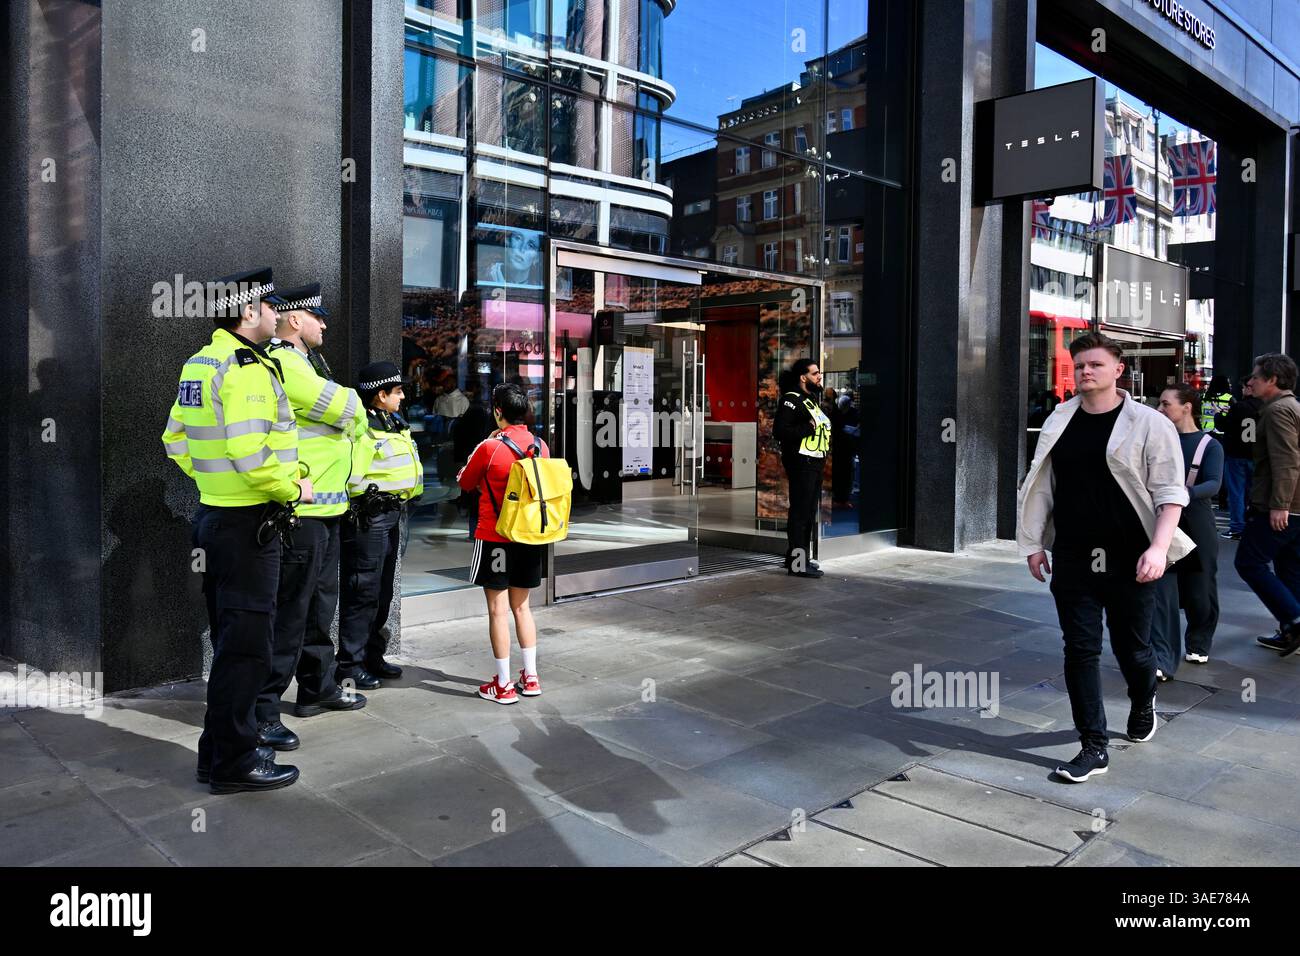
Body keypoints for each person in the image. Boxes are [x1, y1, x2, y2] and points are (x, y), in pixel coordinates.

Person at [1017, 332, 1194, 784]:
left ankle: (1143, 698)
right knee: (1080, 649)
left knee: (1132, 648)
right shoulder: (1060, 418)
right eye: (1078, 366)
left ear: (1119, 370)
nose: (1084, 372)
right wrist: (1033, 542)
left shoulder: (1150, 423)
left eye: (1094, 365)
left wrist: (1158, 548)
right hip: (1074, 553)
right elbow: (1040, 485)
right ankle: (1093, 745)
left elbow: (1171, 492)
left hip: (1130, 555)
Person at [161, 266, 310, 794]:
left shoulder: (201, 362)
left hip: (215, 517)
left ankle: (219, 751)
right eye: (271, 308)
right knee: (247, 648)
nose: (278, 316)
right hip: (250, 524)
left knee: (231, 642)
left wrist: (213, 484)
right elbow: (252, 453)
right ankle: (235, 763)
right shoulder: (247, 367)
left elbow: (174, 438)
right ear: (250, 311)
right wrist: (294, 489)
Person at [257, 283, 369, 745]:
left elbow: (347, 416)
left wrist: (346, 413)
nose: (325, 325)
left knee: (319, 608)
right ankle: (264, 712)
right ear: (296, 320)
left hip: (325, 509)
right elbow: (349, 406)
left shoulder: (308, 364)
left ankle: (315, 689)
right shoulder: (284, 362)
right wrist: (349, 407)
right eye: (318, 317)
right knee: (290, 612)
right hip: (299, 511)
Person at [457, 383, 551, 704]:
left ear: (498, 412)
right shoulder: (541, 446)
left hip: (495, 538)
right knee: (522, 607)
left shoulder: (490, 447)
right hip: (528, 537)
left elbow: (465, 481)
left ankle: (503, 685)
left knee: (497, 610)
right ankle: (531, 676)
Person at [336, 361, 424, 689]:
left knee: (383, 592)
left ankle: (373, 655)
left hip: (393, 514)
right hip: (369, 516)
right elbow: (352, 473)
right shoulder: (361, 425)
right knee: (363, 591)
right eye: (397, 391)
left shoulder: (395, 421)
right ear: (380, 394)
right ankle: (349, 664)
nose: (402, 397)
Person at [1150, 384, 1223, 675]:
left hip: (1196, 522)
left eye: (1166, 404)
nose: (1160, 410)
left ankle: (1198, 642)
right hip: (1161, 520)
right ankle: (1162, 655)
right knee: (1162, 589)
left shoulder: (1210, 445)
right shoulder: (1157, 440)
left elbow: (1214, 484)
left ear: (1186, 407)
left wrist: (1181, 493)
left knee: (1200, 590)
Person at [1232, 353, 1300, 657]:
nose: (1251, 381)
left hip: (1283, 505)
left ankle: (1295, 620)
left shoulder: (1277, 411)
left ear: (1272, 380)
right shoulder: (1290, 406)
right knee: (1290, 568)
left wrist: (1279, 505)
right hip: (1294, 506)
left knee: (1249, 562)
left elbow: (1286, 461)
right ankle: (1291, 629)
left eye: (1256, 376)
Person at [774, 358, 831, 578]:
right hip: (802, 464)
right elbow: (780, 432)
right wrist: (808, 426)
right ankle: (798, 565)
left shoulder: (810, 400)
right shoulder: (791, 400)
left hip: (814, 464)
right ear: (803, 377)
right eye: (815, 373)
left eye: (819, 372)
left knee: (806, 514)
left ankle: (799, 558)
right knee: (800, 514)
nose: (819, 376)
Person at [1221, 376, 1261, 540]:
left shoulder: (1239, 407)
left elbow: (1224, 426)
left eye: (1245, 387)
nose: (1243, 390)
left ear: (1250, 388)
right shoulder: (1266, 407)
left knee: (1236, 492)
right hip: (1257, 455)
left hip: (1236, 454)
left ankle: (1237, 526)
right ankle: (1254, 525)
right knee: (1255, 493)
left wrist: (1219, 416)